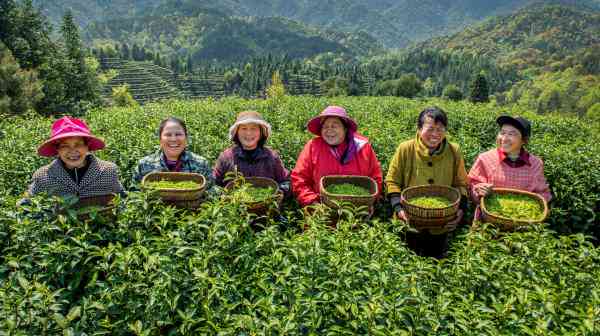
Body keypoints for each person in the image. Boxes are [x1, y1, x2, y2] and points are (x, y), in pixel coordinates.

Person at [385, 107, 468, 258]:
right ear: (419, 128)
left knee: (435, 265)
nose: (435, 134)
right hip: (409, 221)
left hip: (441, 223)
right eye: (430, 129)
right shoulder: (405, 148)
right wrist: (398, 209)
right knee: (406, 263)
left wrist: (460, 211)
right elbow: (392, 181)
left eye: (440, 129)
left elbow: (461, 184)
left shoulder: (454, 151)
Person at [291, 105, 383, 207]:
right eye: (325, 126)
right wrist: (312, 202)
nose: (329, 130)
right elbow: (299, 178)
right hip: (320, 211)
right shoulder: (313, 146)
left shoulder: (363, 148)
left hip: (357, 211)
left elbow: (375, 178)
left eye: (334, 126)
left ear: (345, 129)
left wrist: (369, 203)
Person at [468, 115, 551, 221]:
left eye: (512, 134)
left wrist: (542, 205)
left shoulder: (535, 164)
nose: (504, 138)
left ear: (524, 140)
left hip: (524, 223)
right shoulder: (486, 159)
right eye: (502, 133)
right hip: (488, 222)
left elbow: (543, 193)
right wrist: (479, 190)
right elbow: (472, 185)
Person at [24, 116, 123, 199]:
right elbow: (27, 205)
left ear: (87, 146)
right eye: (64, 146)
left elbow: (122, 200)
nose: (72, 151)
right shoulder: (43, 176)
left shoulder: (108, 171)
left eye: (78, 144)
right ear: (57, 150)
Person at [213, 111, 290, 196]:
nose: (248, 133)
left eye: (253, 128)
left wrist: (278, 192)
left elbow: (286, 181)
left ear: (261, 132)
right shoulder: (226, 157)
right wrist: (223, 195)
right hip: (234, 208)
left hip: (267, 207)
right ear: (237, 132)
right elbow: (214, 184)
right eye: (244, 128)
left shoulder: (271, 157)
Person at [133, 117, 214, 191]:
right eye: (168, 135)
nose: (173, 139)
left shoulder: (201, 164)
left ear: (186, 138)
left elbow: (212, 192)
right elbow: (134, 194)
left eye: (178, 134)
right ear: (160, 139)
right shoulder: (144, 164)